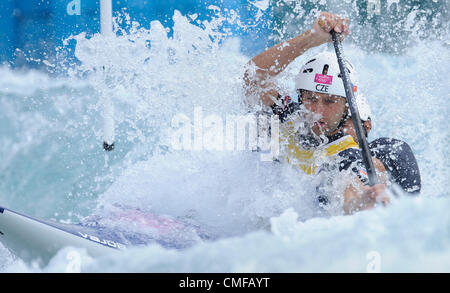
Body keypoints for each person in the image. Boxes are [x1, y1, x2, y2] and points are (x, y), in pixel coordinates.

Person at [243, 12, 414, 215]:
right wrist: (310, 39)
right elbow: (253, 76)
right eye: (311, 99)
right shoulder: (289, 115)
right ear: (300, 97)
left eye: (330, 101)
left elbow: (350, 191)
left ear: (347, 107)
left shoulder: (345, 152)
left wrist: (363, 203)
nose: (317, 111)